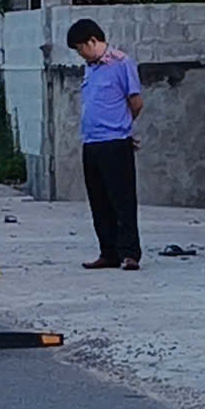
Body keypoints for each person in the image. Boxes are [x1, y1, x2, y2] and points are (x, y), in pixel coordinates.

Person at [68, 18, 144, 271]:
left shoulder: (121, 63)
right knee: (98, 200)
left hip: (115, 141)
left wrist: (122, 125)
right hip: (92, 141)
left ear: (93, 41)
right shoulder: (90, 68)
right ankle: (108, 251)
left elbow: (135, 102)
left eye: (81, 47)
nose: (80, 54)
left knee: (121, 199)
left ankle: (130, 252)